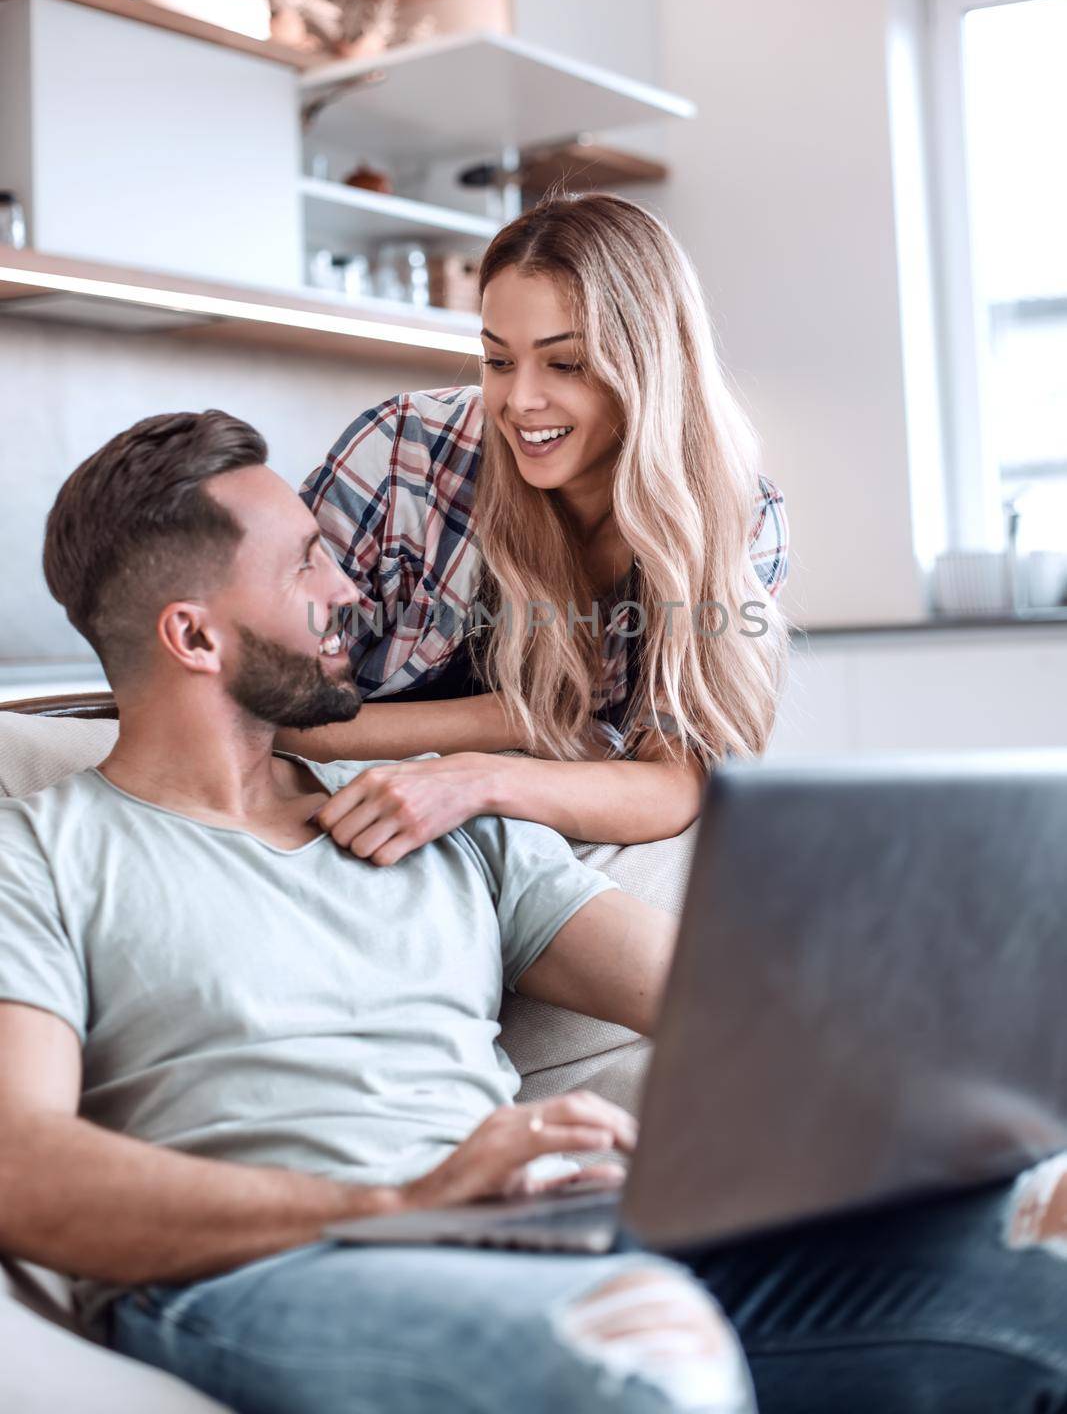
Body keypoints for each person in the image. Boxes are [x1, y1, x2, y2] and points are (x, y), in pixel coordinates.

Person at [5, 410, 1067, 1414]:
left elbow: (732, 1007)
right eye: (307, 564)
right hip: (274, 1269)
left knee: (1035, 1277)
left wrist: (995, 1108)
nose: (350, 588)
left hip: (547, 1240)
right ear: (194, 637)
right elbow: (23, 1168)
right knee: (644, 1350)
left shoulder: (439, 814)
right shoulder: (40, 854)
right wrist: (400, 1201)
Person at [288, 193, 790, 864]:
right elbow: (266, 712)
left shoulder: (737, 518)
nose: (519, 401)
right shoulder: (406, 452)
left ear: (648, 367)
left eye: (565, 364)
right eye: (498, 361)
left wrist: (482, 777)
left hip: (535, 831)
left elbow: (679, 781)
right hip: (341, 819)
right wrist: (513, 721)